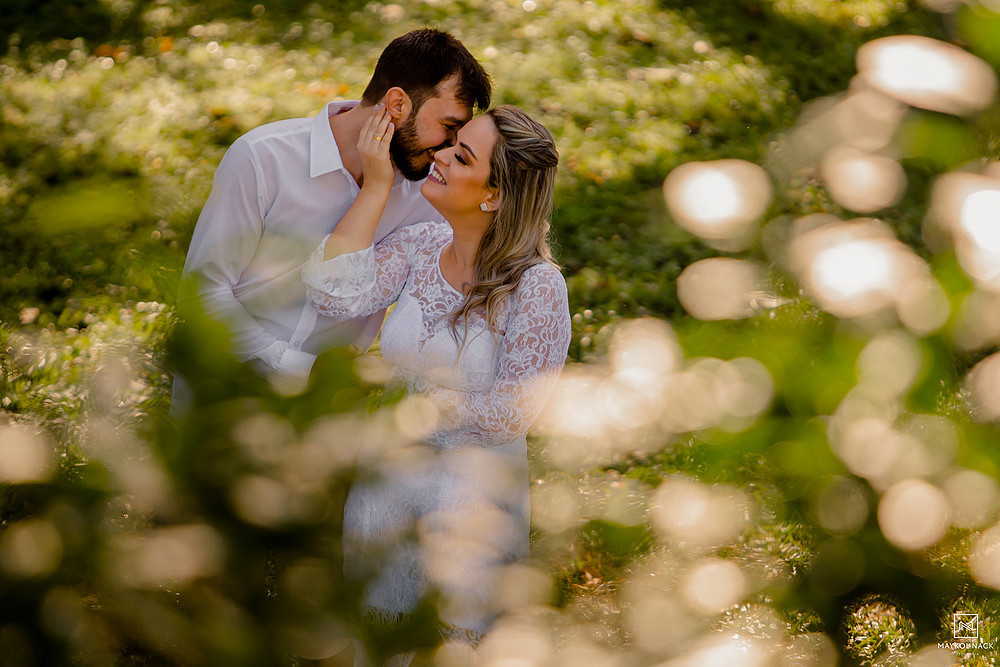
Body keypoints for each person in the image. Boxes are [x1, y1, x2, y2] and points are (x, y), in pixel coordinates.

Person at [301, 104, 570, 658]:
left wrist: (416, 405)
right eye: (451, 143)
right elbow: (330, 290)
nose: (440, 156)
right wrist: (376, 187)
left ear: (493, 194)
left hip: (469, 508)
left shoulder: (538, 288)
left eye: (461, 155)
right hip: (386, 487)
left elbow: (511, 413)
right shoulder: (423, 245)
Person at [174, 29, 491, 398]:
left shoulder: (428, 192)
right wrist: (292, 367)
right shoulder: (264, 158)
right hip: (223, 390)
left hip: (332, 415)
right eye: (448, 127)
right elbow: (203, 291)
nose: (448, 149)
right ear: (397, 104)